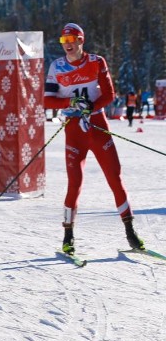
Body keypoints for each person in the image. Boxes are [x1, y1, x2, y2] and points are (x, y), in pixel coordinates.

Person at [44, 22, 144, 255]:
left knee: (115, 178)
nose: (67, 46)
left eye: (71, 41)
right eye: (63, 42)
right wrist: (70, 103)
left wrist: (91, 106)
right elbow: (47, 100)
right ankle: (68, 236)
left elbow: (109, 94)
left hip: (98, 126)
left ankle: (130, 232)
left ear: (81, 41)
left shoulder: (96, 62)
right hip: (74, 130)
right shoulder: (56, 66)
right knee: (74, 184)